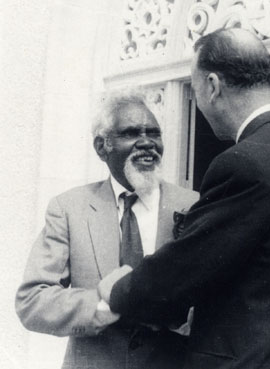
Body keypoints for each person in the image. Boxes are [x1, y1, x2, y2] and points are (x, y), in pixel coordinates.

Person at [101, 28, 270, 369]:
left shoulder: (243, 163)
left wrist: (117, 289)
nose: (197, 103)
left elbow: (182, 272)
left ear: (212, 86)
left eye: (195, 90)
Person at [15, 90, 198, 369]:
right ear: (102, 147)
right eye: (131, 133)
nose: (147, 142)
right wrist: (108, 304)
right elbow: (32, 301)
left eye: (154, 133)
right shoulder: (69, 208)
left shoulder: (194, 205)